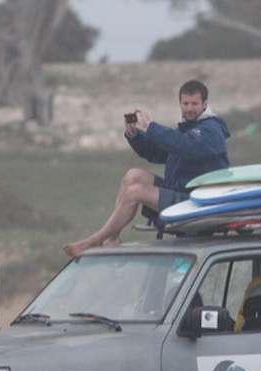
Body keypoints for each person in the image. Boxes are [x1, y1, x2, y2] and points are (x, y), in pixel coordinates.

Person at [64, 80, 230, 256]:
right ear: (180, 103)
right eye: (185, 103)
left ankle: (95, 240)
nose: (189, 108)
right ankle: (113, 237)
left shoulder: (211, 130)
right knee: (133, 175)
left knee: (134, 192)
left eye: (194, 104)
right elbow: (158, 152)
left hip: (196, 201)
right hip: (178, 191)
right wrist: (134, 135)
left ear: (205, 104)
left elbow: (185, 146)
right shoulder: (186, 128)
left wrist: (152, 126)